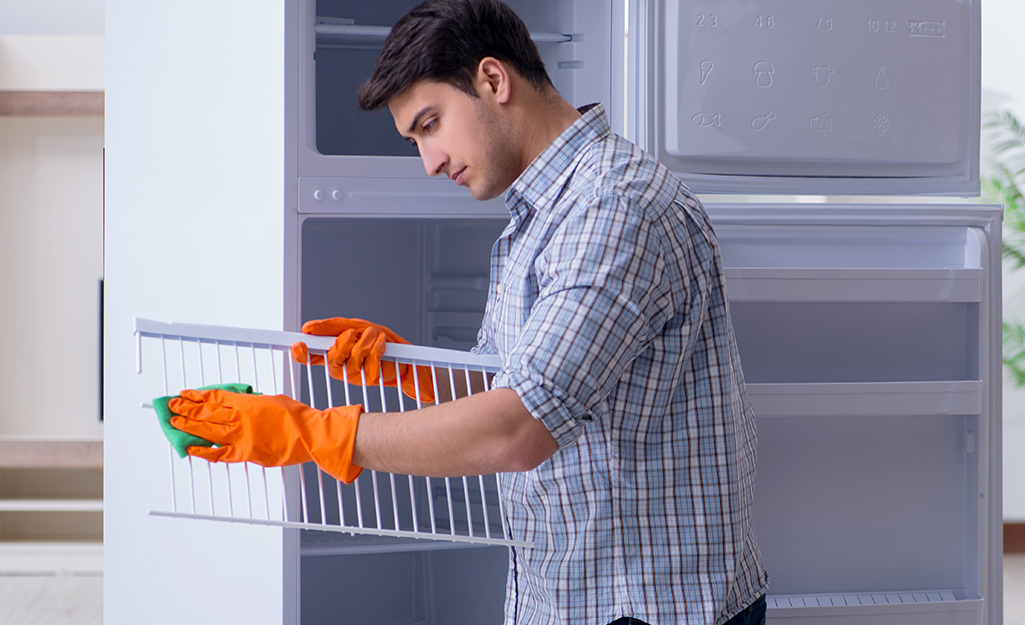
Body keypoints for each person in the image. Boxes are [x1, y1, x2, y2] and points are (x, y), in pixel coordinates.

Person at [170, 1, 768, 623]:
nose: (429, 162)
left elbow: (519, 429)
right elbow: (524, 384)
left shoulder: (613, 209)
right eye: (415, 140)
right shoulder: (545, 215)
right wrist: (410, 370)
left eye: (430, 124)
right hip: (575, 596)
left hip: (648, 609)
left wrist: (312, 434)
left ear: (492, 79)